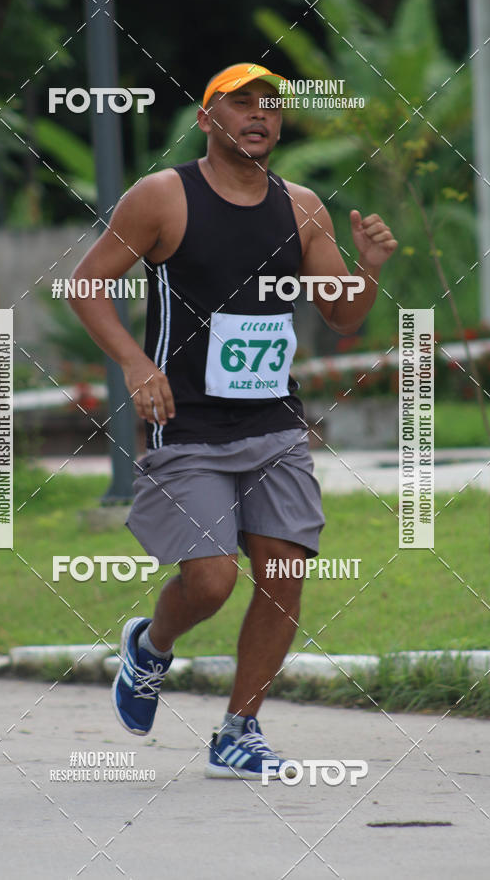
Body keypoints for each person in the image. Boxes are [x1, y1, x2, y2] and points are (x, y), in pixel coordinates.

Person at [69, 63, 397, 780]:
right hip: (186, 423)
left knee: (282, 572)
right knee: (213, 581)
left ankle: (239, 729)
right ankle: (151, 645)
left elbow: (341, 316)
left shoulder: (302, 207)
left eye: (271, 106)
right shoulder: (163, 197)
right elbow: (87, 284)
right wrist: (134, 364)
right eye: (240, 103)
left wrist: (367, 268)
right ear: (206, 119)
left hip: (274, 423)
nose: (259, 116)